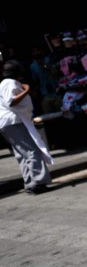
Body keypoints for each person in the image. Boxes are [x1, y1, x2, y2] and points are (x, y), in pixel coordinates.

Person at [0, 59, 54, 194]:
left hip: (8, 123)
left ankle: (30, 182)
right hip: (13, 121)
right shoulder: (9, 83)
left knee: (22, 154)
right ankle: (38, 182)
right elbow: (11, 101)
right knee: (32, 151)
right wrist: (27, 90)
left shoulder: (5, 83)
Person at [29, 47, 62, 114]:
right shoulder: (33, 66)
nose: (36, 53)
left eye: (38, 51)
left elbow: (56, 72)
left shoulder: (48, 60)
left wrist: (47, 66)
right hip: (45, 94)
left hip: (56, 92)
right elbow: (35, 80)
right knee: (49, 115)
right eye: (34, 51)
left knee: (60, 112)